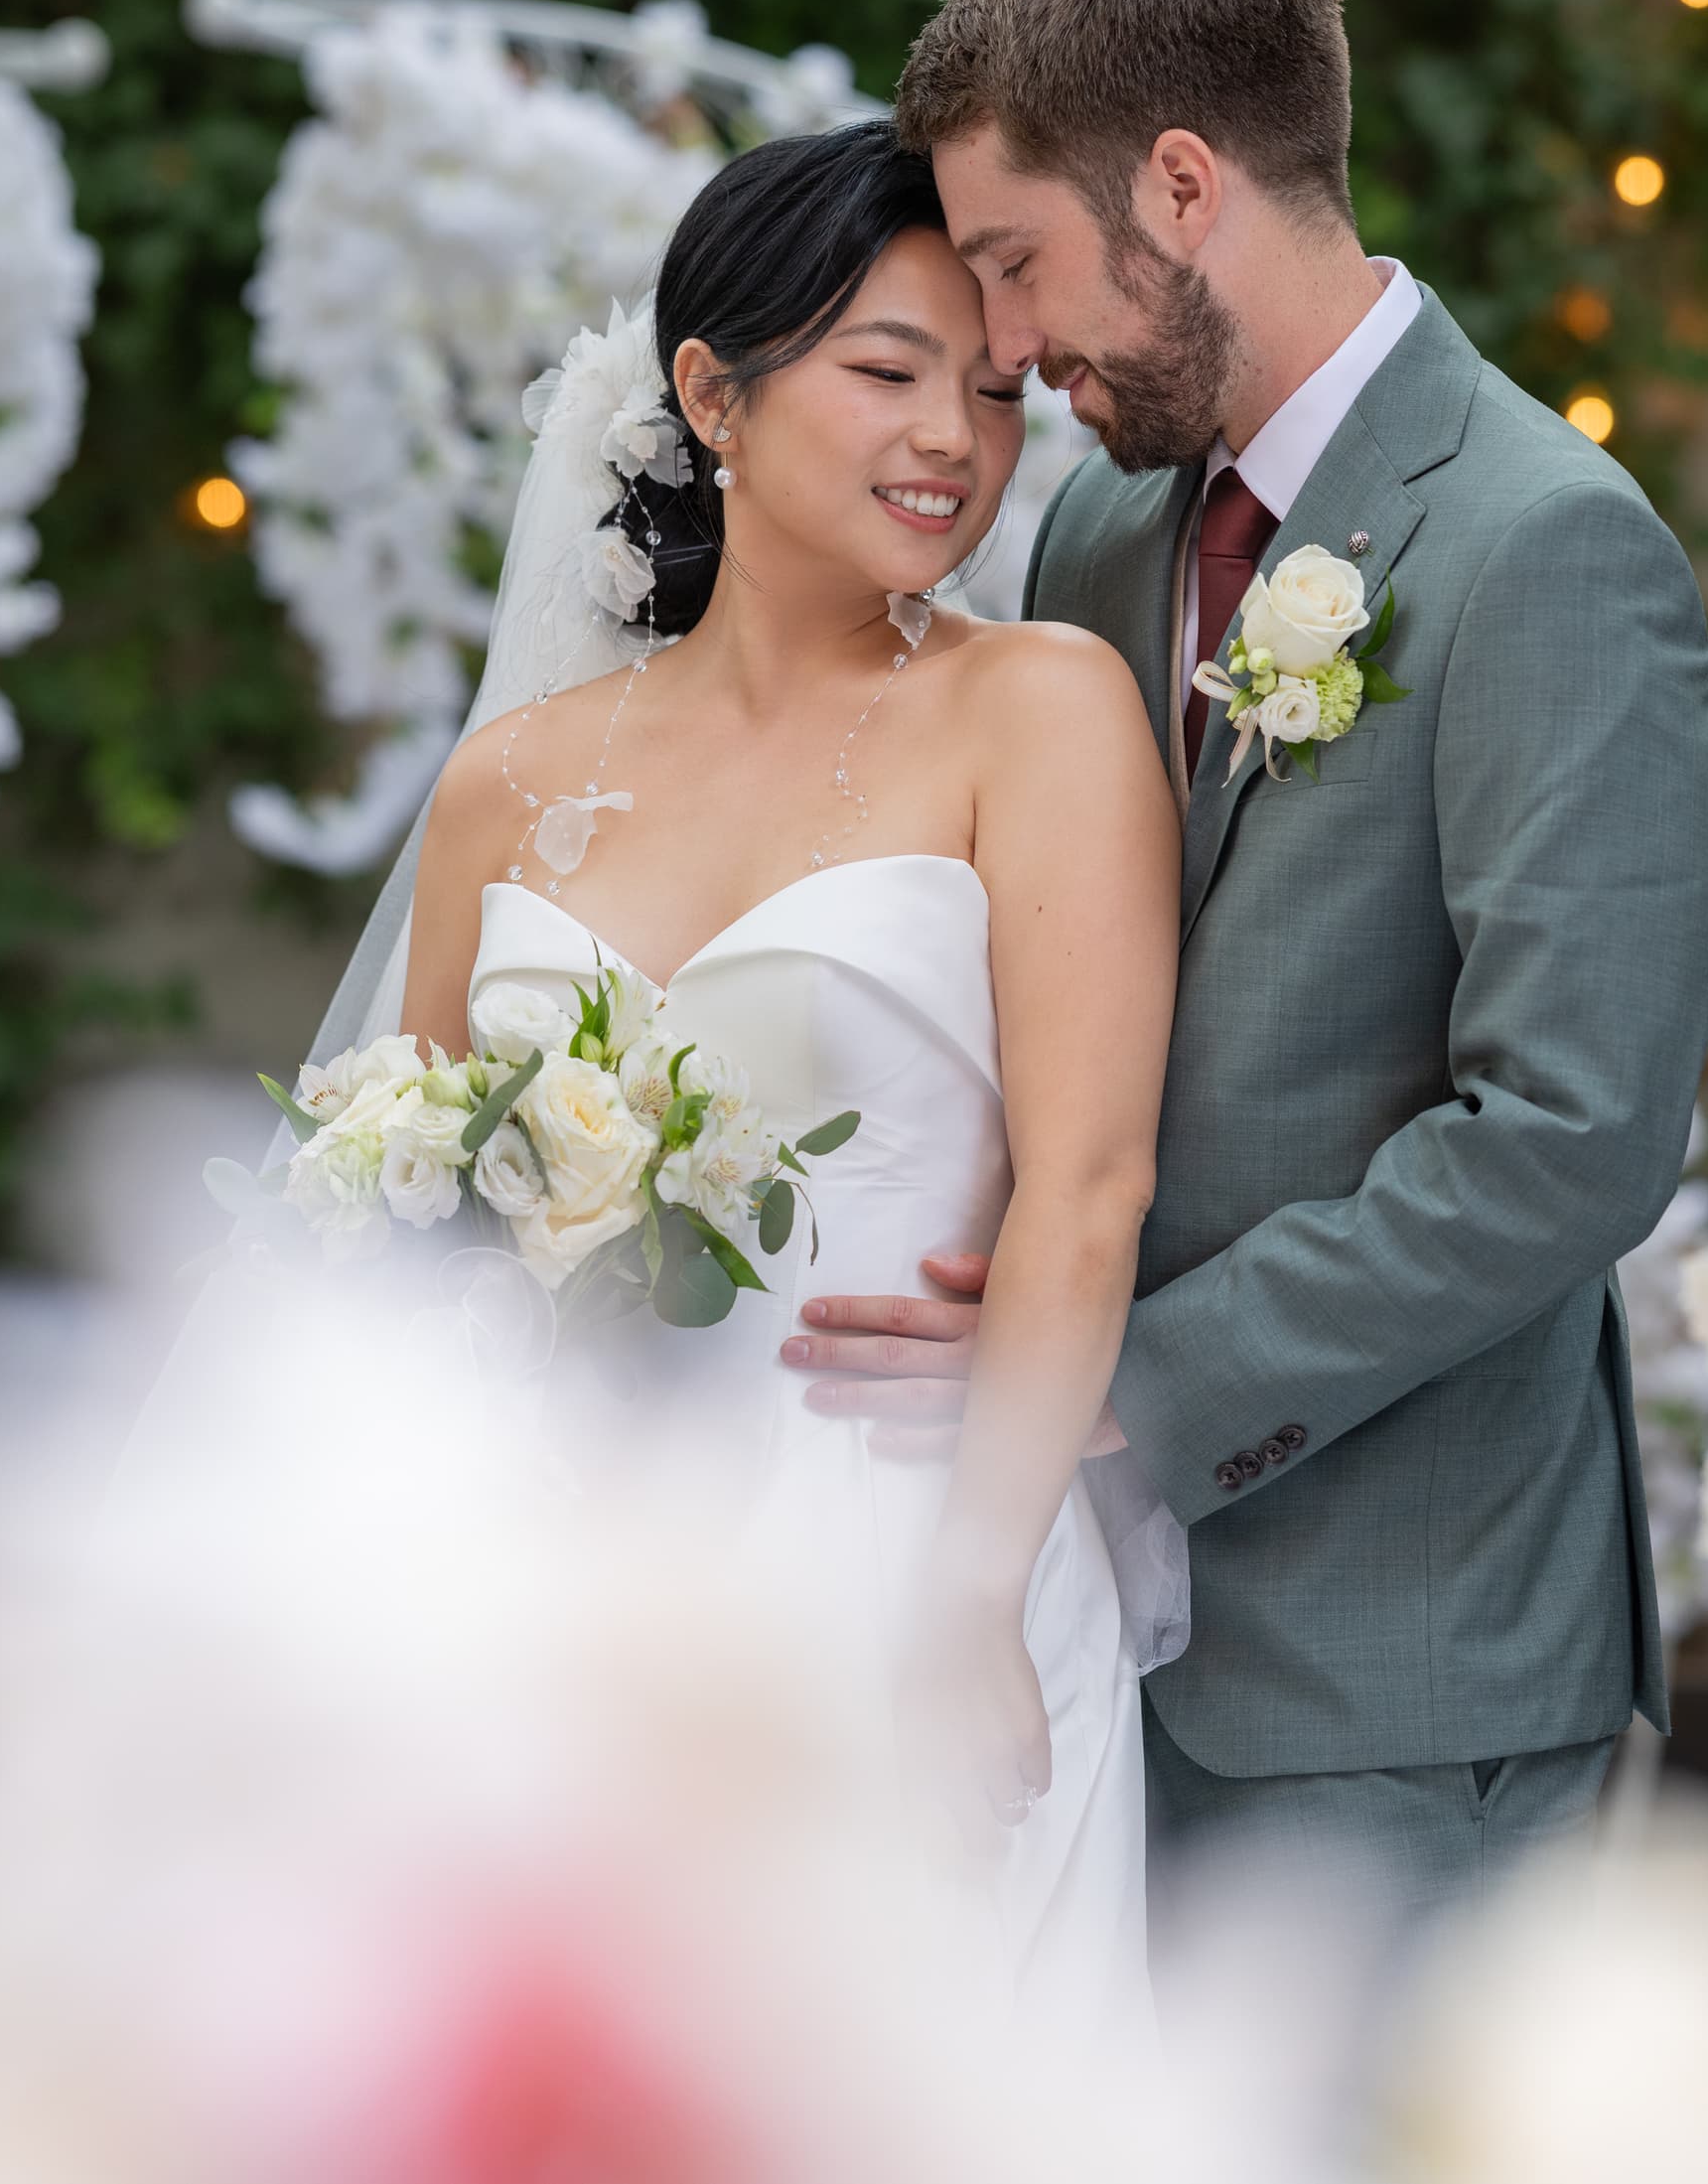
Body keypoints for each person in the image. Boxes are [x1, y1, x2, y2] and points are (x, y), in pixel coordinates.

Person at [786, 0, 1708, 1915]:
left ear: (1187, 187)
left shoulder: (1548, 547)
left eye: (1021, 267)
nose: (1009, 357)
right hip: (1083, 1648)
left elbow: (1574, 1137)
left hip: (1402, 1672)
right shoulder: (1110, 535)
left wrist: (1119, 1381)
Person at [370, 124, 1184, 2015]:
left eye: (992, 394)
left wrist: (975, 1593)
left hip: (911, 1540)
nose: (953, 445)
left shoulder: (1037, 705)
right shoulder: (509, 782)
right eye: (887, 374)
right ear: (710, 394)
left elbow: (1089, 1182)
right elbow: (401, 1211)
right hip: (579, 1587)